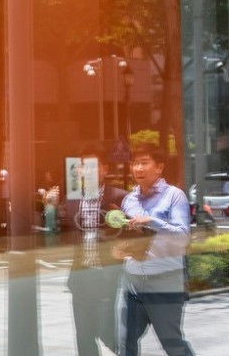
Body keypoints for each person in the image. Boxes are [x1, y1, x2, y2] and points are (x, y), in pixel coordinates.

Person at [118, 143, 194, 356]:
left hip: (164, 281)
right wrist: (119, 249)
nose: (138, 168)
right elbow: (125, 236)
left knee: (172, 344)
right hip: (131, 281)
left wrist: (152, 221)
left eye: (144, 163)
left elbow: (182, 237)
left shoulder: (174, 196)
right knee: (124, 343)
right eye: (135, 163)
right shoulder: (128, 200)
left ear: (159, 167)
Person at [65, 149, 127, 355]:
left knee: (107, 331)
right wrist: (49, 207)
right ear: (79, 171)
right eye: (85, 167)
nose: (89, 171)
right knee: (83, 334)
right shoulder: (72, 200)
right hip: (81, 276)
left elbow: (133, 232)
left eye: (94, 166)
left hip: (107, 274)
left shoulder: (119, 197)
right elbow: (63, 234)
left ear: (104, 170)